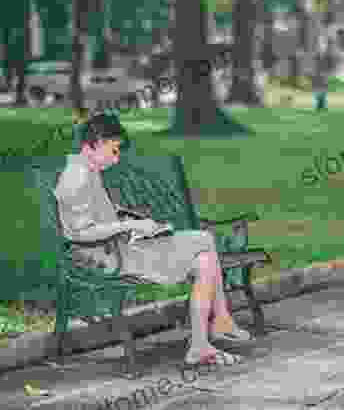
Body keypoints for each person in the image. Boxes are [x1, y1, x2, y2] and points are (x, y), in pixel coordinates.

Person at [54, 113, 251, 366]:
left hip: (115, 249)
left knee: (204, 260)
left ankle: (203, 342)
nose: (116, 159)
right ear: (96, 143)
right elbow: (80, 233)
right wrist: (131, 224)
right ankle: (217, 325)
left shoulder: (86, 171)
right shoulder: (77, 178)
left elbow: (97, 219)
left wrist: (134, 221)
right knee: (204, 241)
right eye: (113, 151)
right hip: (105, 258)